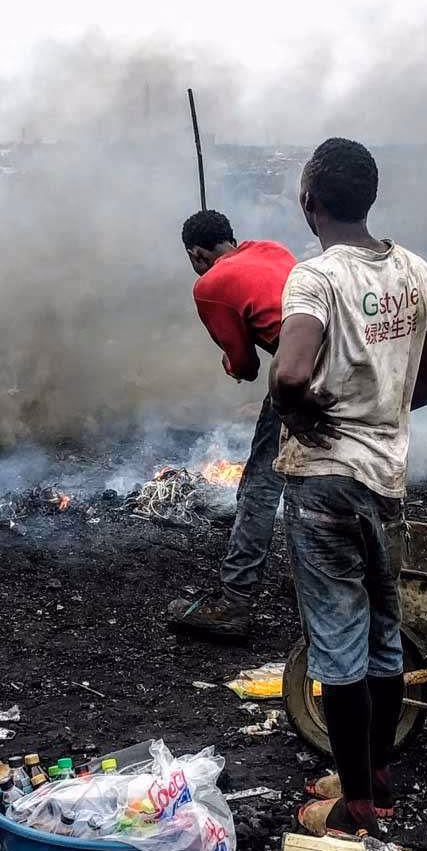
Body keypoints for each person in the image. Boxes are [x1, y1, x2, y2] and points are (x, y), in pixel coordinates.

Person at [268, 140, 427, 838]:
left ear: (310, 201)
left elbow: (288, 372)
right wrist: (378, 417)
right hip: (386, 479)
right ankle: (372, 781)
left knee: (339, 643)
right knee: (381, 635)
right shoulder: (417, 271)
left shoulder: (314, 278)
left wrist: (303, 411)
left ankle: (356, 812)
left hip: (325, 484)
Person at [168, 210, 297, 644]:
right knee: (322, 477)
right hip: (354, 367)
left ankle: (234, 602)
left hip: (304, 376)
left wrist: (229, 362)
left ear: (196, 254)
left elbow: (245, 364)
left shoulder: (209, 285)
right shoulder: (272, 249)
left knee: (260, 487)